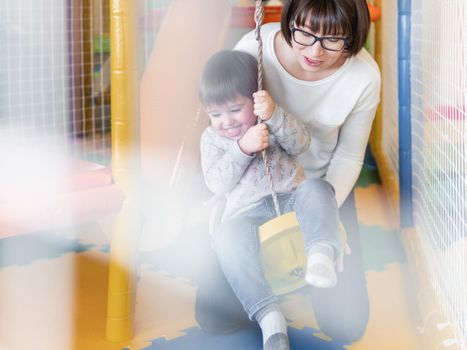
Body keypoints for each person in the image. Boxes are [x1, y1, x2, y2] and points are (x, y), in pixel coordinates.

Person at [194, 0, 381, 344]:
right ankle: (269, 307)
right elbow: (221, 131)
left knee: (347, 326)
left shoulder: (363, 77)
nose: (314, 50)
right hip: (254, 188)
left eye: (333, 39)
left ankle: (314, 255)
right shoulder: (254, 48)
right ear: (290, 19)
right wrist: (224, 197)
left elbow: (349, 158)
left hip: (319, 187)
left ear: (353, 36)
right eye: (304, 33)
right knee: (213, 317)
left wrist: (327, 219)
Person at [199, 49, 343, 350]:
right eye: (215, 114)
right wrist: (242, 148)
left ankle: (320, 255)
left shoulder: (271, 119)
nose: (226, 121)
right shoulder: (212, 139)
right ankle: (269, 316)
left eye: (235, 110)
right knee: (227, 239)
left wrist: (274, 115)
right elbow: (216, 183)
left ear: (256, 99)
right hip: (246, 214)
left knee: (317, 189)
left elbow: (301, 142)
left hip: (290, 200)